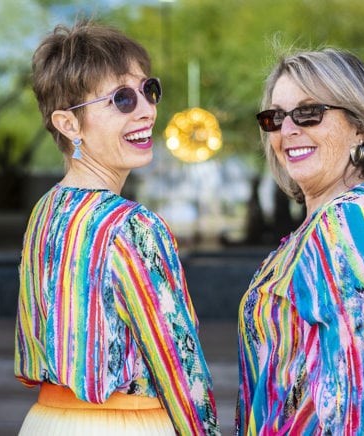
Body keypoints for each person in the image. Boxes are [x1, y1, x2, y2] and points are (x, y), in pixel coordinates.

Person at [14, 21, 220, 435]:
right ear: (68, 124)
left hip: (45, 421)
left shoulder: (44, 214)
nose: (146, 109)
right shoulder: (133, 226)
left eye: (149, 90)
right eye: (121, 99)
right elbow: (180, 370)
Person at [236, 47, 364, 435]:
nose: (288, 130)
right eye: (274, 118)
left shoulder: (350, 219)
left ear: (359, 125)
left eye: (309, 112)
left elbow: (356, 393)